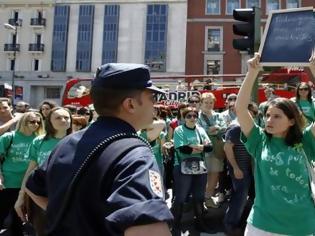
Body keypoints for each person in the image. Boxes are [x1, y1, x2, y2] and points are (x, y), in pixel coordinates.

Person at [25, 63, 173, 236]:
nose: (155, 105)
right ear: (130, 104)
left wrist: (72, 218)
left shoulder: (67, 142)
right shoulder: (134, 153)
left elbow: (33, 186)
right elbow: (148, 229)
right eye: (152, 98)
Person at [235, 53, 315, 235]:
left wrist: (313, 71)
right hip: (261, 225)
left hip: (302, 225)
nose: (269, 120)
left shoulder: (306, 140)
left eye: (277, 116)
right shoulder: (259, 139)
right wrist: (252, 72)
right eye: (267, 115)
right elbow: (240, 108)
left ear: (292, 121)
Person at [14, 107, 72, 236]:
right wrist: (21, 197)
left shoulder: (80, 140)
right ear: (49, 121)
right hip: (40, 196)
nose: (63, 120)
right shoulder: (39, 141)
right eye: (58, 117)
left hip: (68, 197)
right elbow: (30, 171)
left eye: (67, 117)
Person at [0, 111, 44, 235]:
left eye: (38, 122)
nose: (36, 124)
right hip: (8, 183)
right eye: (32, 121)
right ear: (24, 121)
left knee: (19, 217)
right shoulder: (9, 137)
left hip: (28, 184)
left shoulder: (39, 138)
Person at [172, 107, 212, 235]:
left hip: (199, 166)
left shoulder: (200, 130)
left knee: (199, 197)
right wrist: (200, 147)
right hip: (182, 166)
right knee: (181, 197)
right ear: (184, 118)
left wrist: (193, 147)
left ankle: (200, 223)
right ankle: (175, 226)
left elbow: (209, 147)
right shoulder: (179, 130)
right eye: (189, 116)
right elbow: (183, 150)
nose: (192, 118)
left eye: (195, 116)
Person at [223, 102, 258, 236]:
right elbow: (227, 148)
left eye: (254, 113)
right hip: (239, 169)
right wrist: (236, 168)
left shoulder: (248, 127)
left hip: (248, 169)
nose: (253, 116)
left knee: (243, 197)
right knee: (240, 198)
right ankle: (230, 225)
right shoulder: (236, 127)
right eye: (252, 113)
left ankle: (237, 223)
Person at [197, 92, 226, 208]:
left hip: (216, 149)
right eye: (206, 102)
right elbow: (199, 131)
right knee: (201, 176)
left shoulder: (218, 115)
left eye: (211, 102)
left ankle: (208, 197)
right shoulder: (196, 116)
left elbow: (224, 127)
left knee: (214, 174)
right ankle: (199, 199)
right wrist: (212, 130)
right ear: (201, 103)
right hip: (201, 150)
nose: (209, 105)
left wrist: (213, 129)